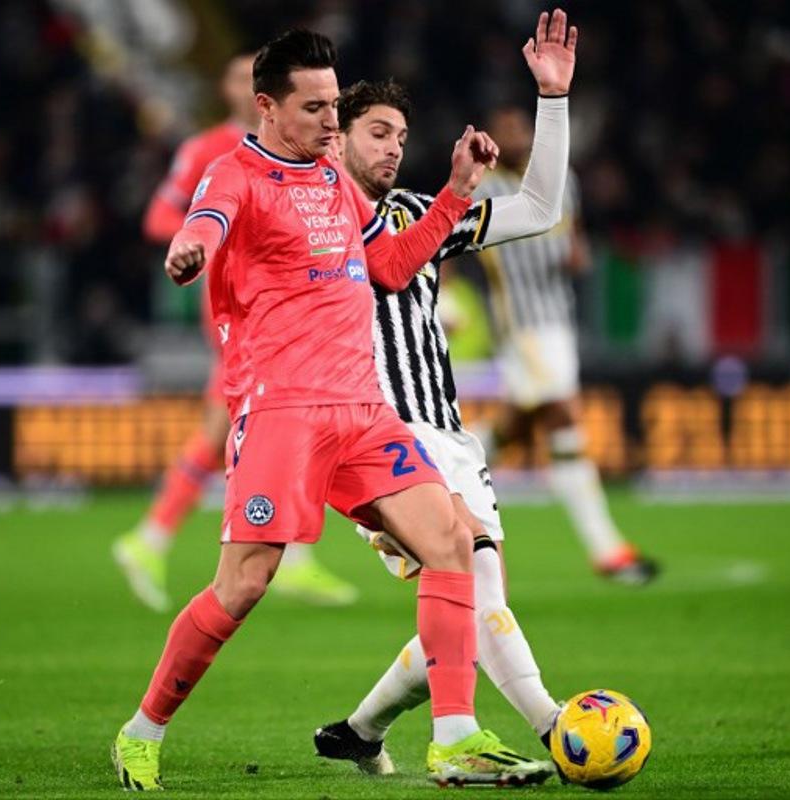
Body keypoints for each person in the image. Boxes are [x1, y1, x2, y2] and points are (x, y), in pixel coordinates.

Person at [111, 29, 551, 790]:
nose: (328, 120)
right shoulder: (236, 173)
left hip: (363, 412)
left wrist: (453, 194)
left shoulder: (332, 182)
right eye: (313, 107)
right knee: (244, 585)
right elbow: (206, 221)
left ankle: (455, 738)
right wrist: (189, 247)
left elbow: (388, 265)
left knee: (455, 539)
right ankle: (142, 730)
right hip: (281, 411)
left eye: (332, 104)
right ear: (266, 106)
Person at [313, 9, 579, 775]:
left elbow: (538, 209)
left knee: (465, 594)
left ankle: (359, 731)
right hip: (379, 436)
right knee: (476, 581)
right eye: (377, 133)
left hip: (448, 434)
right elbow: (383, 270)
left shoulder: (416, 216)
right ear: (338, 139)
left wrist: (552, 99)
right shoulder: (322, 214)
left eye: (401, 136)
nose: (394, 147)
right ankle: (553, 729)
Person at [112, 51, 359, 611]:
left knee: (236, 425)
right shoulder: (209, 151)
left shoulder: (315, 154)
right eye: (237, 79)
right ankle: (165, 538)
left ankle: (157, 538)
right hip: (246, 306)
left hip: (300, 306)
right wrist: (218, 232)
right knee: (263, 418)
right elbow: (158, 219)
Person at [474, 107, 658, 584]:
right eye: (507, 130)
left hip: (559, 322)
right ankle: (607, 548)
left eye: (523, 127)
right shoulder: (484, 187)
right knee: (563, 416)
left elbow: (573, 238)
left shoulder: (564, 179)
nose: (518, 136)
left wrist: (579, 254)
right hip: (523, 325)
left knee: (518, 428)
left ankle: (448, 465)